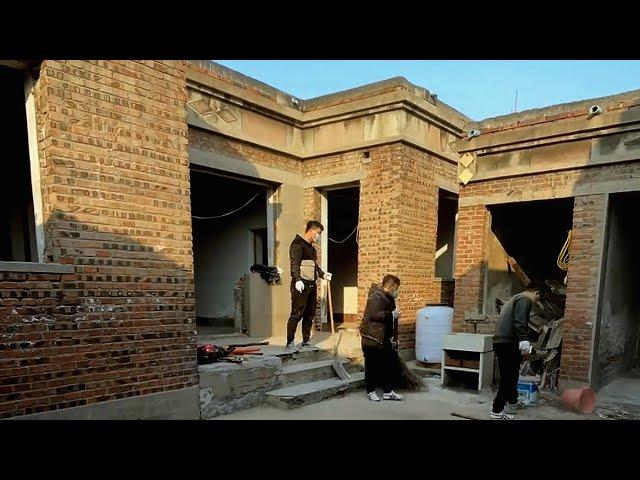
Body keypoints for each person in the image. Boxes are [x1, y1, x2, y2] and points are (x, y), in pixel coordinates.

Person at [490, 280, 550, 419]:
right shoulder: (525, 299)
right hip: (507, 342)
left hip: (503, 341)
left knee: (512, 375)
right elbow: (520, 321)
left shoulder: (515, 298)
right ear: (537, 293)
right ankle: (496, 410)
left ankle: (512, 402)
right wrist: (523, 339)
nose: (536, 301)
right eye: (538, 298)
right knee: (508, 378)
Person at [285, 220, 332, 353]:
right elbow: (295, 263)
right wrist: (297, 279)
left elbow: (315, 266)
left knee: (309, 314)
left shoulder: (311, 248)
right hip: (300, 285)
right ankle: (290, 343)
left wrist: (323, 274)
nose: (319, 236)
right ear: (311, 230)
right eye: (318, 233)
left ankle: (306, 342)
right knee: (296, 314)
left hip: (311, 285)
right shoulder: (297, 244)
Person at [359, 274, 404, 402]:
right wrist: (391, 315)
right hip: (372, 337)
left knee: (387, 365)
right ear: (390, 286)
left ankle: (388, 391)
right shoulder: (376, 297)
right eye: (396, 288)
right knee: (372, 366)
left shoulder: (388, 298)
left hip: (384, 337)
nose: (397, 291)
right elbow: (373, 315)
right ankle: (370, 391)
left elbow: (390, 321)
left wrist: (393, 337)